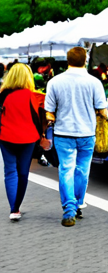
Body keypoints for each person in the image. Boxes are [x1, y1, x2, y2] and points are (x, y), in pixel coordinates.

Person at [44, 47, 108, 227]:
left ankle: (69, 209)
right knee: (82, 170)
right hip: (87, 133)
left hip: (63, 133)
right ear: (85, 60)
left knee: (66, 169)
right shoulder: (94, 82)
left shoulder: (55, 82)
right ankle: (78, 203)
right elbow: (102, 110)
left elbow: (49, 112)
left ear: (67, 60)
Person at [0, 64, 49, 221]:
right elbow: (49, 113)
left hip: (5, 137)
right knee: (22, 172)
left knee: (10, 171)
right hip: (28, 138)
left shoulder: (2, 95)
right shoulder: (36, 97)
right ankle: (16, 207)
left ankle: (14, 209)